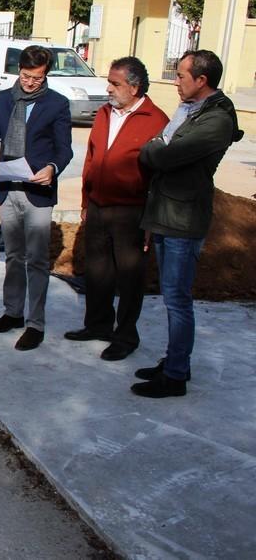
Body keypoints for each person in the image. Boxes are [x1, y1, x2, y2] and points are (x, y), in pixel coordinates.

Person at [132, 50, 243, 397]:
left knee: (178, 299)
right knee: (171, 296)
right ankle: (175, 360)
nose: (176, 81)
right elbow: (160, 148)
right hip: (166, 213)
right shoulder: (191, 110)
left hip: (183, 218)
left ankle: (177, 375)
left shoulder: (217, 120)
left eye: (181, 76)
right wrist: (157, 149)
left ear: (202, 80)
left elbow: (163, 153)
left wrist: (154, 150)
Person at [64, 57, 168, 361]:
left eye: (115, 83)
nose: (108, 88)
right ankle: (97, 325)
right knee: (97, 271)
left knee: (130, 276)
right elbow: (92, 158)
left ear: (134, 87)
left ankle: (125, 336)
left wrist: (151, 219)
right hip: (98, 206)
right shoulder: (106, 113)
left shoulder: (156, 120)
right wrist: (85, 200)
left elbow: (160, 177)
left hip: (131, 212)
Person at [0, 45, 73, 350]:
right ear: (18, 71)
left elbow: (64, 148)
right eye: (26, 76)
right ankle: (13, 312)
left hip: (37, 191)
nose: (30, 82)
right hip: (7, 187)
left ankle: (35, 323)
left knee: (37, 260)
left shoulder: (57, 104)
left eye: (37, 77)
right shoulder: (3, 100)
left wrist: (52, 168)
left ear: (46, 73)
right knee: (14, 256)